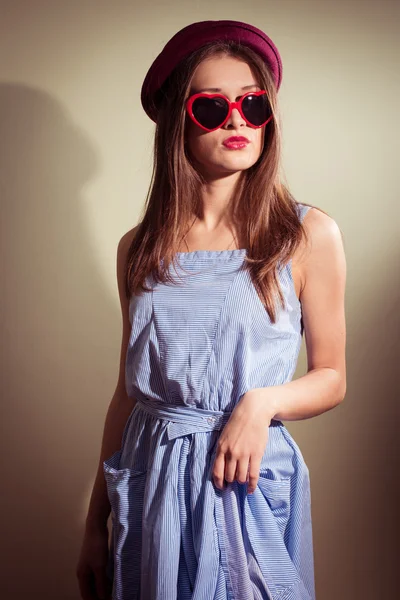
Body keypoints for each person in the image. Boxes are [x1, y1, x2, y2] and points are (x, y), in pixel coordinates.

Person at [76, 19, 346, 600]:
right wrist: (94, 523)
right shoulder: (139, 247)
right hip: (152, 481)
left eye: (252, 105)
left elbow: (332, 377)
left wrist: (263, 402)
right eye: (211, 107)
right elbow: (127, 392)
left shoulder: (307, 236)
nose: (236, 121)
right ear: (177, 119)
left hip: (241, 481)